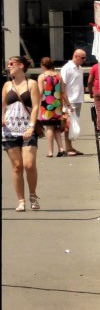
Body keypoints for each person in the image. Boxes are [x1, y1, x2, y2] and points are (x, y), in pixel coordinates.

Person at [2, 56, 42, 211]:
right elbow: (2, 106)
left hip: (27, 129)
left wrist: (31, 126)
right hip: (9, 130)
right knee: (17, 166)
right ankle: (21, 201)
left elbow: (36, 107)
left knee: (29, 164)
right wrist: (2, 118)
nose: (8, 66)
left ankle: (32, 195)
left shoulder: (31, 84)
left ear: (21, 65)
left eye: (11, 64)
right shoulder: (6, 85)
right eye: (8, 64)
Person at [37, 57, 70, 158]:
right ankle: (61, 149)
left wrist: (35, 104)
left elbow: (40, 92)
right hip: (57, 105)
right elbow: (63, 91)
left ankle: (50, 151)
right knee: (56, 128)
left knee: (49, 128)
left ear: (43, 65)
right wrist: (68, 104)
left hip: (46, 105)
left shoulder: (42, 77)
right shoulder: (58, 76)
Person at [60, 48, 87, 156]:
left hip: (77, 100)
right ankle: (67, 148)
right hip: (70, 100)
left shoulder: (79, 68)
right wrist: (67, 103)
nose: (84, 60)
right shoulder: (67, 68)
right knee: (68, 124)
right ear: (76, 56)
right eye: (83, 58)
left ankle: (69, 146)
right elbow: (63, 87)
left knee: (72, 124)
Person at [87, 62, 100, 135]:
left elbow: (89, 81)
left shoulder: (95, 67)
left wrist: (90, 92)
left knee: (99, 110)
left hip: (97, 90)